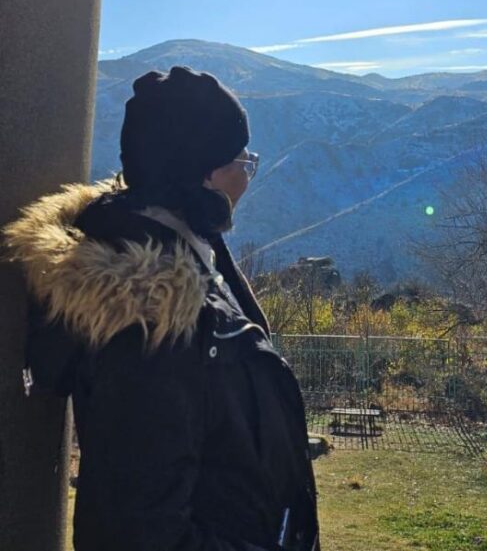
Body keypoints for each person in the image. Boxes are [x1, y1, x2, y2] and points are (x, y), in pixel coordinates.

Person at [4, 65, 320, 551]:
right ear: (206, 176)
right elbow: (136, 531)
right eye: (242, 159)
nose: (249, 171)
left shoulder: (188, 254)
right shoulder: (152, 326)